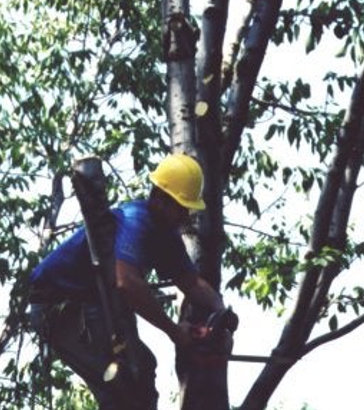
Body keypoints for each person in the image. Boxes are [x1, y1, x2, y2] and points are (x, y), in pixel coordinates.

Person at [28, 153, 227, 410]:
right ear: (159, 197)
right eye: (180, 206)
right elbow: (127, 283)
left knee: (141, 371)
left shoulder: (165, 233)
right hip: (60, 305)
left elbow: (192, 284)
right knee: (124, 382)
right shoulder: (135, 220)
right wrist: (175, 331)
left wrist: (221, 312)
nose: (184, 214)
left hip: (93, 304)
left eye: (186, 207)